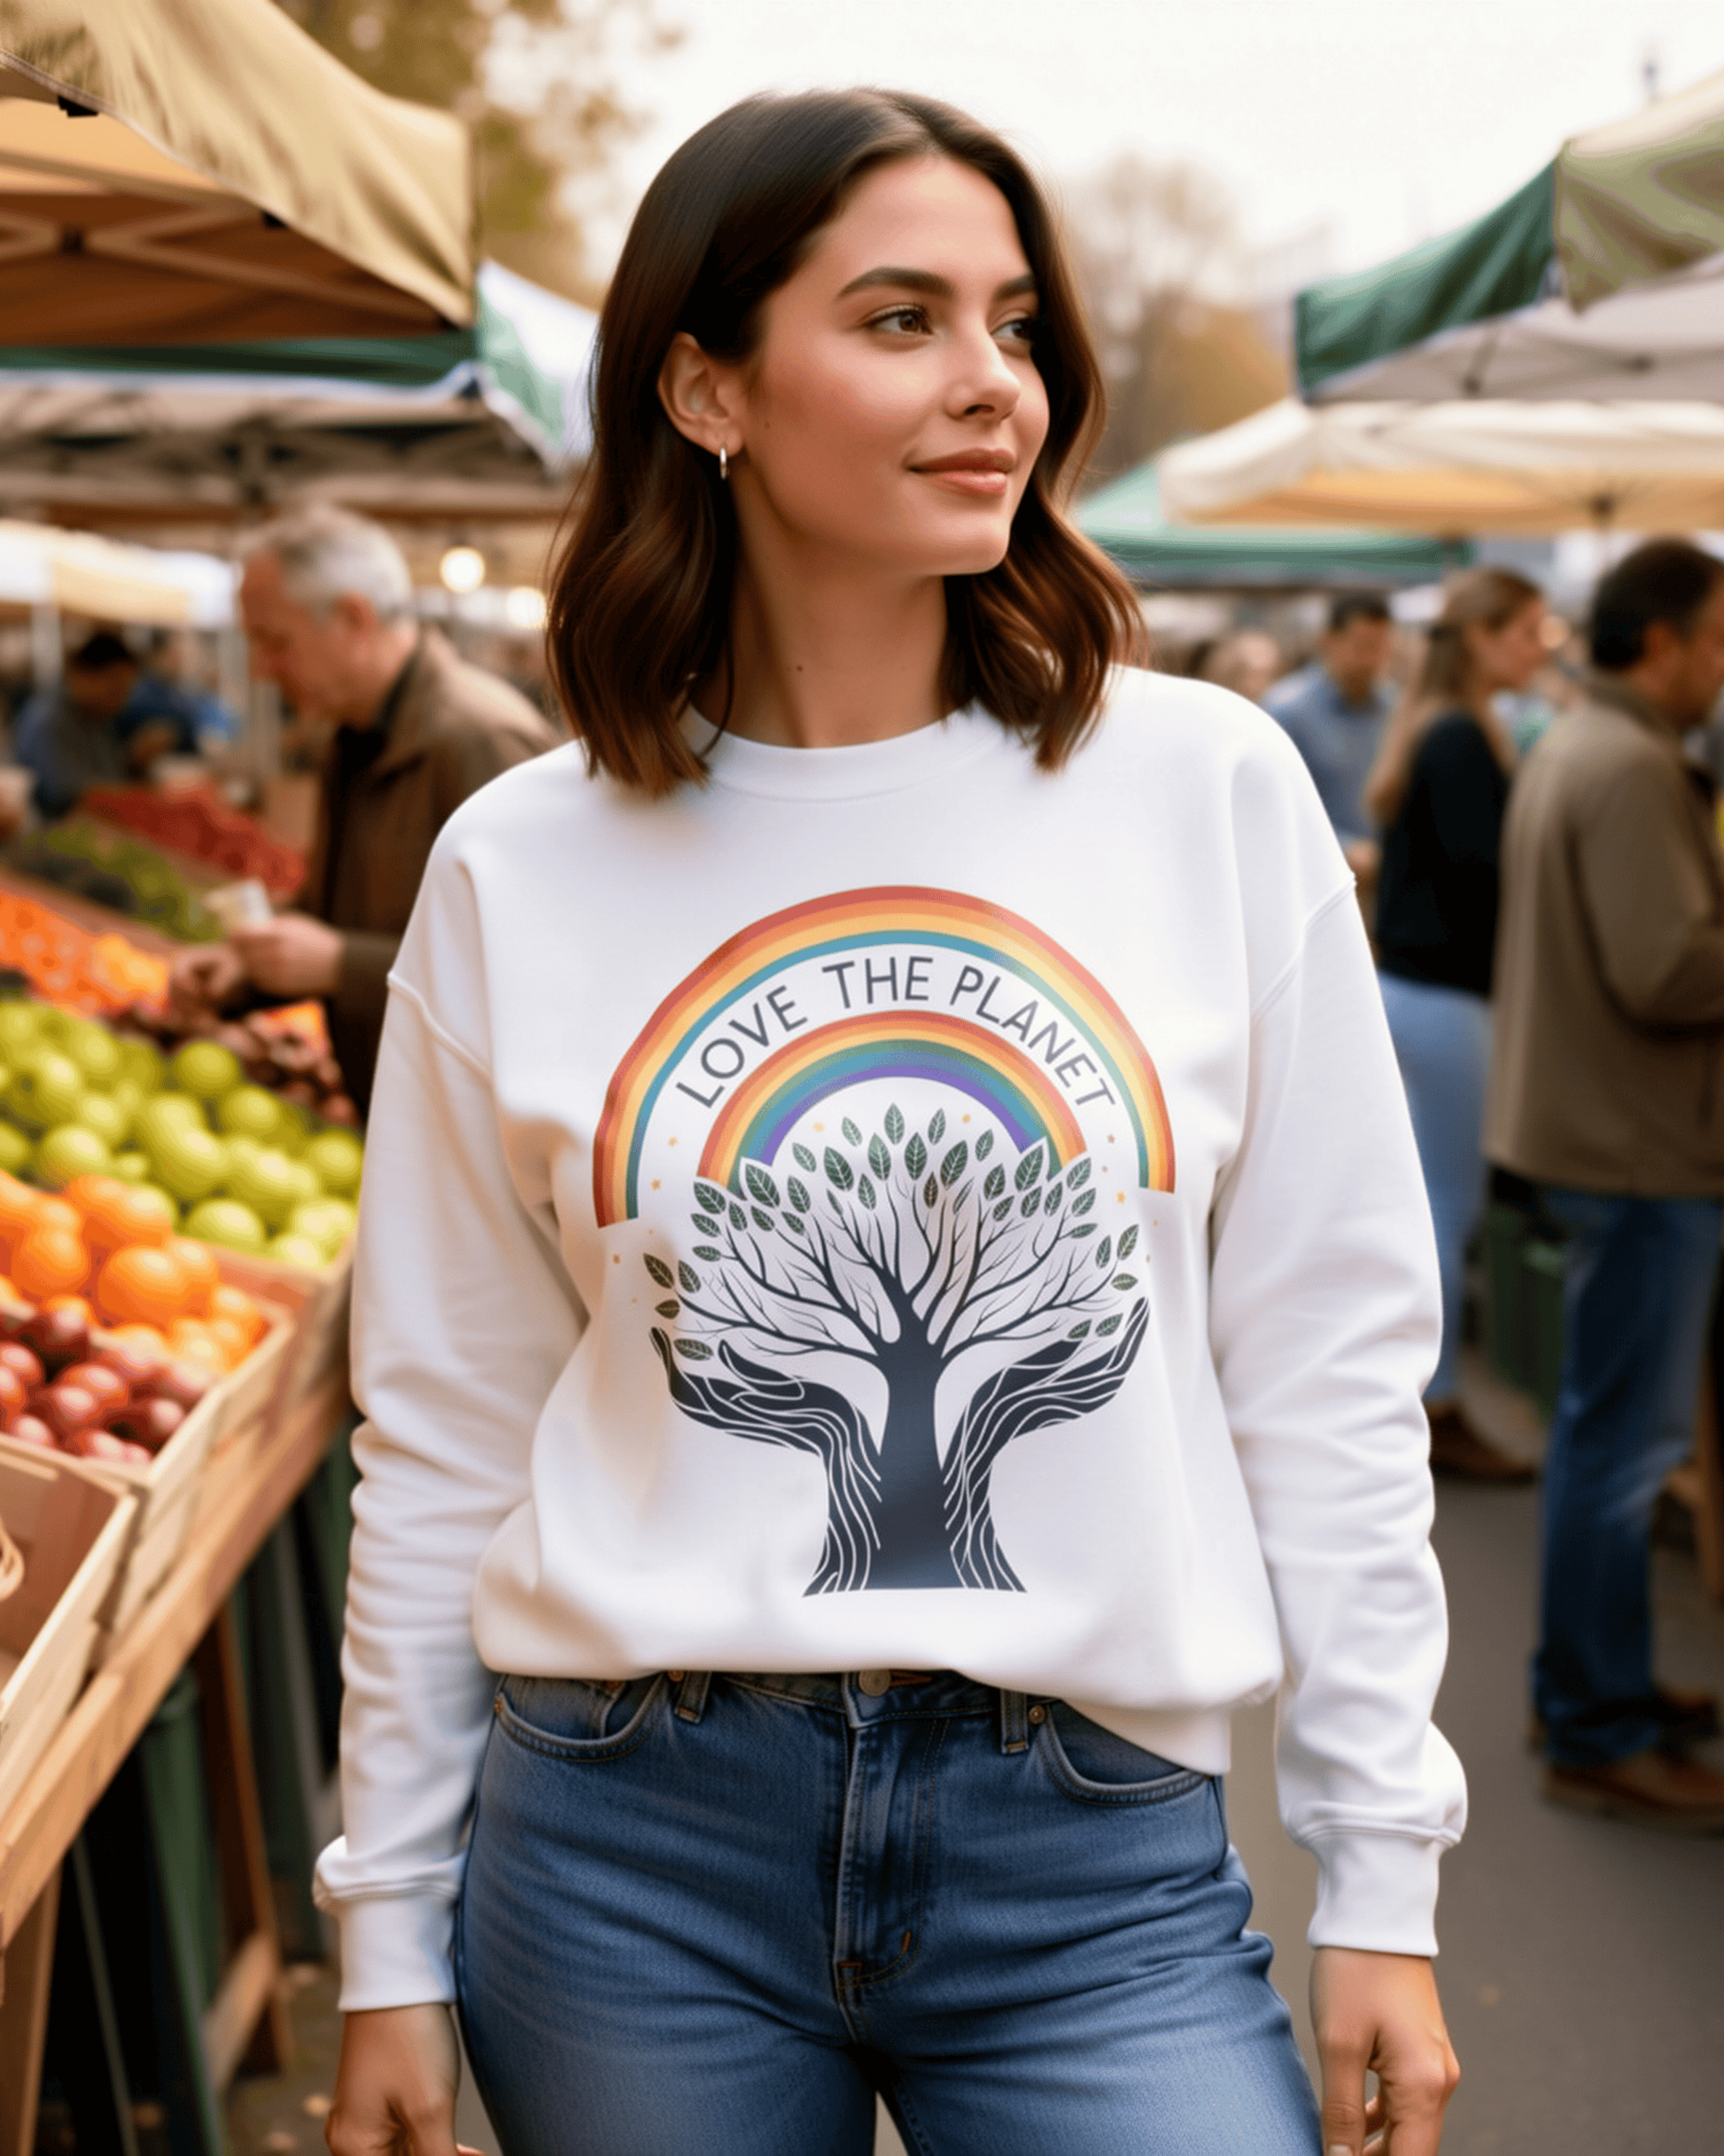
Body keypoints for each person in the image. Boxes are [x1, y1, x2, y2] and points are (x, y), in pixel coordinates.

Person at [317, 91, 1464, 2156]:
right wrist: (385, 1920)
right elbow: (445, 1424)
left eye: (1015, 325)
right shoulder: (519, 864)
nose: (989, 387)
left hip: (1094, 1859)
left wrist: (1381, 1865)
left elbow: (1332, 1356)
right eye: (904, 317)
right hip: (627, 1850)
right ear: (706, 382)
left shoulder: (1204, 789)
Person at [1487, 537, 1724, 1830]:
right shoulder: (1628, 763)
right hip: (1635, 1147)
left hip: (1595, 1136)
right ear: (1659, 641)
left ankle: (1589, 1688)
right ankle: (1596, 1719)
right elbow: (1665, 970)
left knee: (1603, 1437)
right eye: (1714, 638)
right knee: (1622, 1449)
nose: (1719, 665)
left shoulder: (1582, 742)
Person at [168, 508, 562, 1117]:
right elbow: (335, 909)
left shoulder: (478, 737)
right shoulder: (349, 736)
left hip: (479, 1135)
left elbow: (542, 960)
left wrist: (338, 965)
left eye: (275, 642)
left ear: (354, 617)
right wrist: (245, 970)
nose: (260, 669)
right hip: (407, 1117)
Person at [1364, 569, 1549, 1483]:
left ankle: (1427, 1399)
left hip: (1416, 994)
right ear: (1478, 638)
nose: (1539, 647)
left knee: (1432, 1201)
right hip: (1444, 1000)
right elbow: (1488, 884)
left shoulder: (1441, 729)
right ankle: (1431, 1405)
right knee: (1444, 1206)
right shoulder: (1457, 740)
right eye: (1524, 631)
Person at [1263, 592, 1395, 881]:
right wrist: (1344, 847)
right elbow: (1276, 806)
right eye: (1363, 646)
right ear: (1329, 641)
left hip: (1384, 879)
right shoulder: (1288, 711)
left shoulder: (1393, 709)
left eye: (1382, 648)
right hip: (1317, 879)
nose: (1373, 660)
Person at [11, 630, 198, 821]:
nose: (120, 701)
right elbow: (73, 794)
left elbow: (112, 779)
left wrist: (137, 762)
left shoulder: (95, 717)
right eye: (114, 689)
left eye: (125, 692)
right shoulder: (48, 721)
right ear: (79, 674)